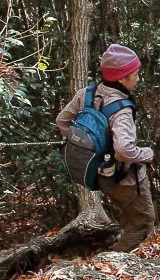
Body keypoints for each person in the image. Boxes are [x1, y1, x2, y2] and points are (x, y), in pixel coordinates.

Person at [56, 44, 155, 252]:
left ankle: (121, 253)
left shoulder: (87, 94)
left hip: (102, 174)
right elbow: (124, 150)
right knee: (143, 222)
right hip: (126, 178)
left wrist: (91, 149)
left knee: (129, 215)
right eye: (135, 74)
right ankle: (118, 262)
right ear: (121, 78)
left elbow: (62, 121)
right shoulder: (121, 109)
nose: (137, 78)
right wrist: (146, 154)